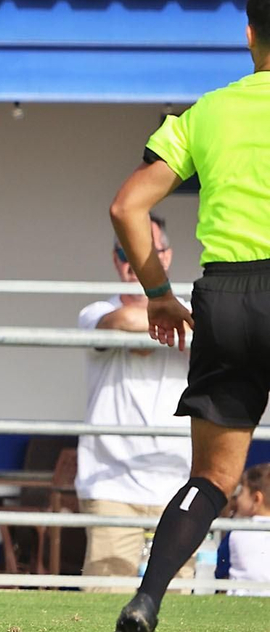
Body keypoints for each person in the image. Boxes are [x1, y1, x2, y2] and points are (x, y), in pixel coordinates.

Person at [108, 0, 270, 632]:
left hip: (227, 296)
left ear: (248, 36)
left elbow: (126, 206)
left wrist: (159, 295)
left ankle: (147, 598)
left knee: (211, 477)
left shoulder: (207, 113)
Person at [76, 217, 192, 591]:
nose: (136, 262)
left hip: (176, 483)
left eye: (148, 252)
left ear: (168, 256)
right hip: (110, 485)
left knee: (177, 610)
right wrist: (169, 321)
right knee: (103, 609)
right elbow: (122, 320)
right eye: (127, 252)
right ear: (116, 260)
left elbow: (215, 337)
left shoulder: (192, 311)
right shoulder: (95, 312)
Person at [221, 464, 270, 591]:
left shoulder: (238, 531)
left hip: (241, 599)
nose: (236, 498)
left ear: (256, 499)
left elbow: (221, 568)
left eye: (241, 491)